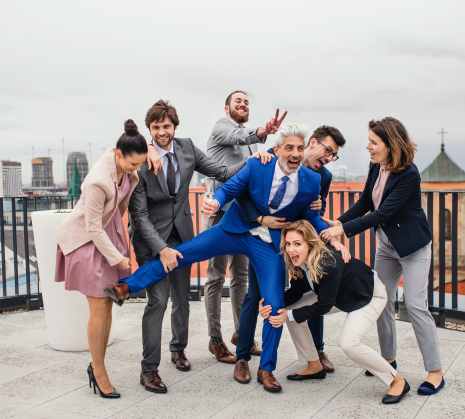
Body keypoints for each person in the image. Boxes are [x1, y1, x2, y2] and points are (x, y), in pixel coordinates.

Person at [105, 123, 350, 392]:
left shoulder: (312, 180)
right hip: (235, 230)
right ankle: (126, 287)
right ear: (277, 149)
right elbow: (231, 187)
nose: (295, 153)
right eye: (289, 147)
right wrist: (216, 202)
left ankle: (267, 370)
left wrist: (333, 236)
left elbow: (312, 216)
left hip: (269, 245)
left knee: (276, 304)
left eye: (299, 148)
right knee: (180, 253)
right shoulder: (259, 165)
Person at [126, 100, 271, 394]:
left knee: (182, 298)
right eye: (156, 127)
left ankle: (178, 349)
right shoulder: (141, 158)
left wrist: (254, 161)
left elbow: (221, 171)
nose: (162, 132)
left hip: (181, 236)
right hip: (148, 240)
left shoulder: (188, 147)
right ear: (149, 130)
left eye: (167, 126)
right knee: (158, 302)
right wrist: (160, 248)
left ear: (174, 126)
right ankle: (149, 369)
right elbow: (138, 215)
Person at [320, 117, 444, 395]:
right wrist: (338, 223)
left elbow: (383, 213)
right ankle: (388, 360)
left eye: (373, 143)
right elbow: (365, 202)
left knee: (415, 305)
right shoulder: (376, 166)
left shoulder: (409, 174)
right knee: (381, 301)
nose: (368, 146)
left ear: (391, 145)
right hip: (387, 246)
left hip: (413, 248)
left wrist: (342, 231)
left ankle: (435, 371)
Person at [259, 220, 410, 404]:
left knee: (349, 344)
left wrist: (286, 316)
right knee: (289, 309)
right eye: (288, 244)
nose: (291, 250)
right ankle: (314, 365)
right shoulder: (299, 261)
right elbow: (296, 293)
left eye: (297, 244)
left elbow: (323, 306)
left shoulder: (328, 263)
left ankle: (397, 380)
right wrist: (271, 305)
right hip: (340, 294)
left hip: (367, 294)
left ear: (310, 244)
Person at [235, 125, 346, 374]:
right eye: (327, 151)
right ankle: (242, 355)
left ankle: (317, 351)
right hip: (267, 239)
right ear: (313, 143)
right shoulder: (272, 158)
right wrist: (261, 220)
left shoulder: (323, 177)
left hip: (302, 245)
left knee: (314, 292)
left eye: (333, 155)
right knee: (255, 295)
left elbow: (315, 213)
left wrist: (320, 206)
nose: (328, 158)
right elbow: (245, 192)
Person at [54, 120, 148, 399]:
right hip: (87, 243)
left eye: (140, 164)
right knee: (99, 308)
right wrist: (118, 257)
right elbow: (92, 227)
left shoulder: (125, 163)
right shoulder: (98, 180)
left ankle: (97, 364)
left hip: (108, 238)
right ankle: (98, 370)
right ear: (119, 156)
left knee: (109, 305)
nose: (137, 169)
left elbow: (113, 214)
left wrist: (148, 154)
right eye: (133, 165)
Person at [202, 91, 287, 363]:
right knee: (216, 277)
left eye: (246, 102)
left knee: (240, 277)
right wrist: (262, 131)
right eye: (237, 101)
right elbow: (239, 137)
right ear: (227, 108)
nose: (243, 104)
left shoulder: (252, 143)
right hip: (219, 215)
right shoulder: (222, 127)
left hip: (241, 218)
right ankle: (215, 339)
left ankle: (243, 334)